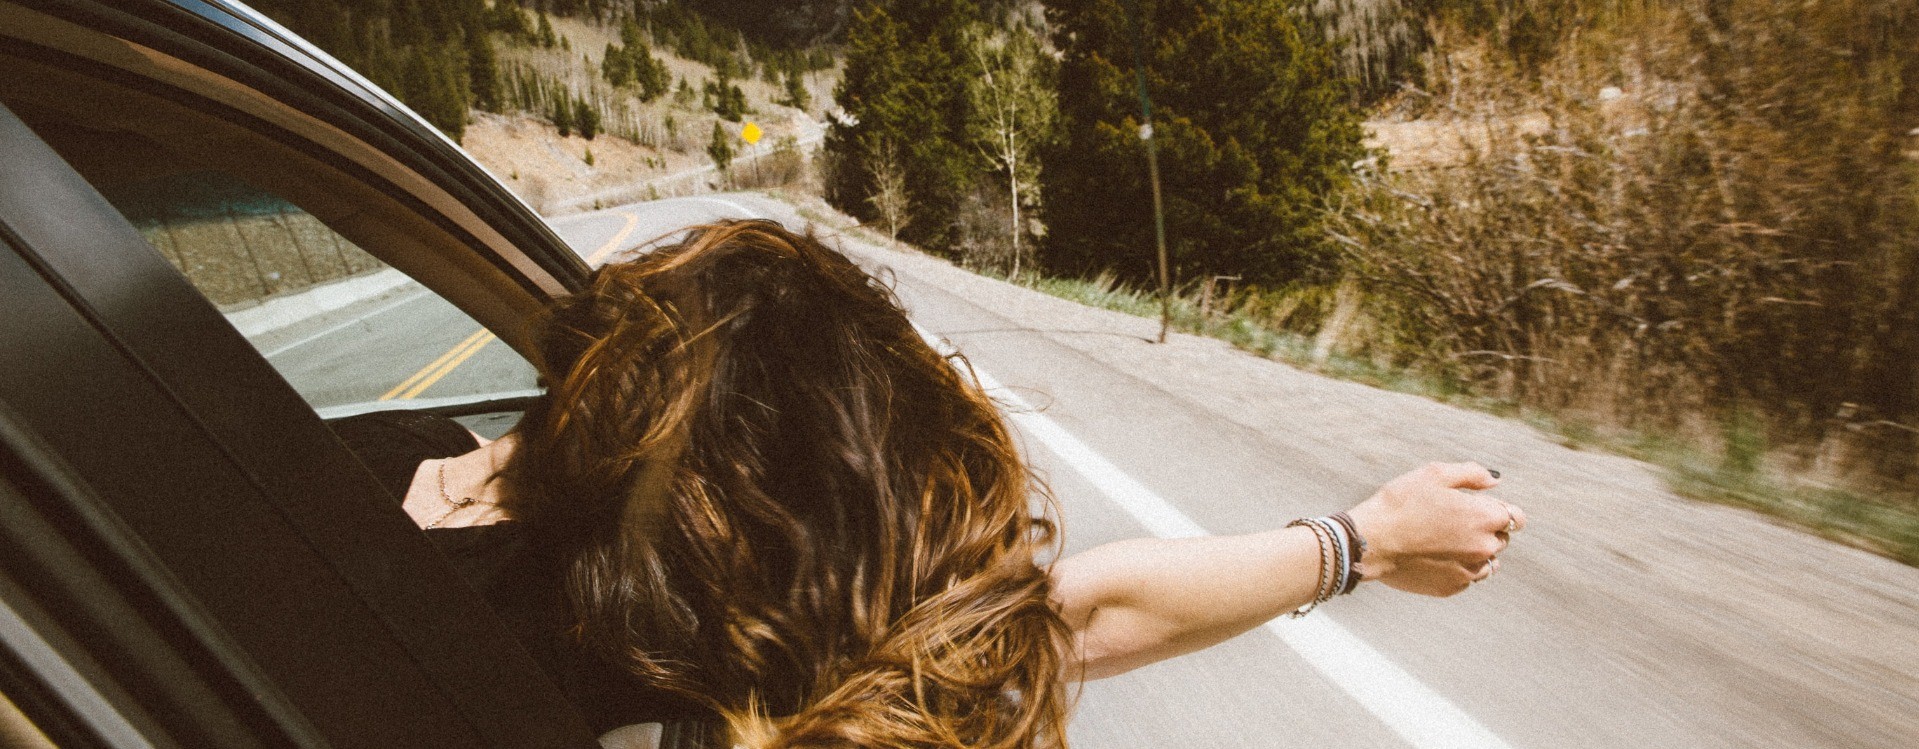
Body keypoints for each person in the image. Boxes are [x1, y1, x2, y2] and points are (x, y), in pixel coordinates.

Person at [339, 219, 1524, 749]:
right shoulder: (631, 645)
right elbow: (1060, 621)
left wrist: (1358, 539)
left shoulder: (349, 467)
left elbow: (1054, 620)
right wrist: (1355, 542)